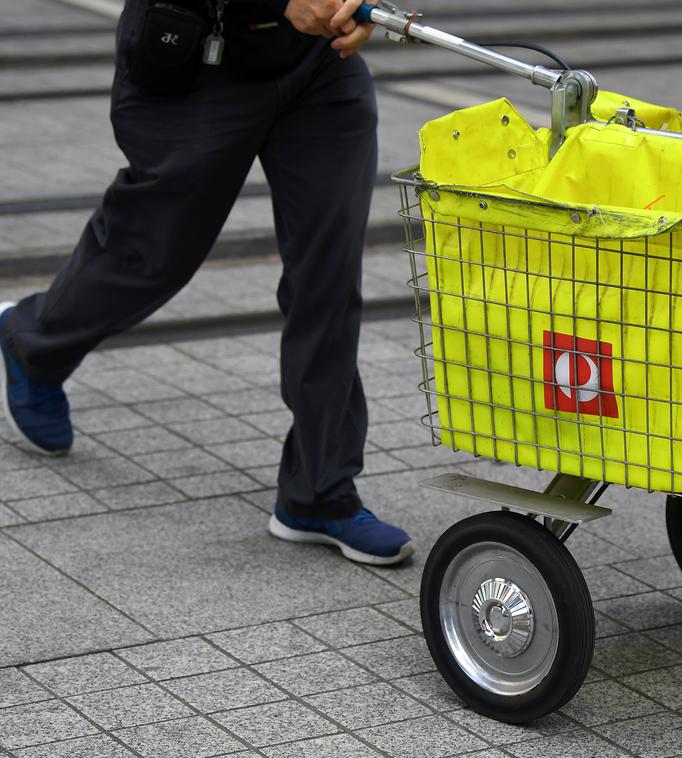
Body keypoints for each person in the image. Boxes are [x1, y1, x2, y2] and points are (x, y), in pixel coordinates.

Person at [0, 0, 414, 565]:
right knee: (156, 254)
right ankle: (33, 341)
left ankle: (319, 492)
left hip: (317, 67)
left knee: (329, 272)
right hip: (199, 56)